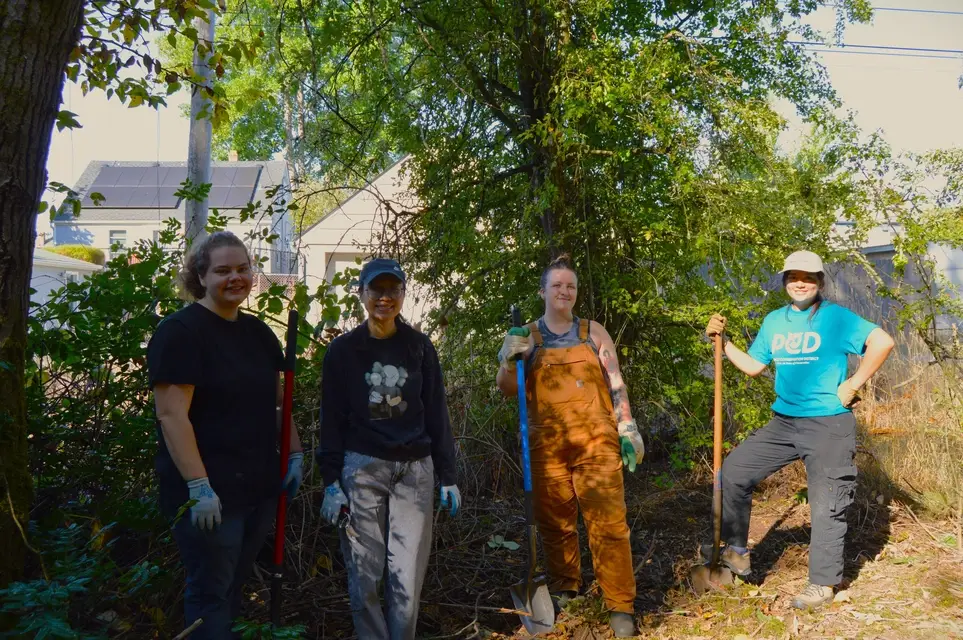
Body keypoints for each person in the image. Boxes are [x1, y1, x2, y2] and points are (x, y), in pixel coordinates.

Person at [705, 250, 895, 610]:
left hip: (828, 425)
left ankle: (822, 584)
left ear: (820, 281)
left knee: (827, 505)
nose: (800, 282)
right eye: (793, 276)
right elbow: (753, 367)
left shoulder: (836, 318)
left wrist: (854, 383)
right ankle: (738, 551)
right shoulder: (775, 321)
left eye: (808, 277)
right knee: (735, 472)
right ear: (785, 281)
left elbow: (882, 342)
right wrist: (723, 342)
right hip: (784, 423)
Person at [147, 231, 304, 639]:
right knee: (210, 592)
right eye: (222, 270)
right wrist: (199, 486)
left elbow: (278, 404)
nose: (235, 277)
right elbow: (172, 416)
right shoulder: (181, 333)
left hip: (258, 485)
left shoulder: (256, 333)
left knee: (235, 585)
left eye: (242, 269)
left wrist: (294, 453)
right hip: (211, 494)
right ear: (200, 275)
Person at [495, 254, 645, 638]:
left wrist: (626, 425)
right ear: (543, 291)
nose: (565, 291)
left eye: (571, 286)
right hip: (546, 445)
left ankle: (620, 605)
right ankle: (565, 588)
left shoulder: (593, 332)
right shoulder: (526, 335)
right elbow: (508, 389)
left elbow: (615, 381)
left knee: (610, 523)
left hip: (597, 441)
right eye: (557, 285)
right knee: (555, 523)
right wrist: (510, 360)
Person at [315, 258, 460, 640]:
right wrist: (331, 481)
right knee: (364, 575)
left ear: (402, 294)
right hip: (362, 468)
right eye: (376, 290)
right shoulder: (343, 352)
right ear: (361, 294)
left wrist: (448, 476)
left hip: (414, 470)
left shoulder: (419, 347)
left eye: (392, 289)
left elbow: (437, 413)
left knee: (407, 578)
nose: (384, 298)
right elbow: (330, 419)